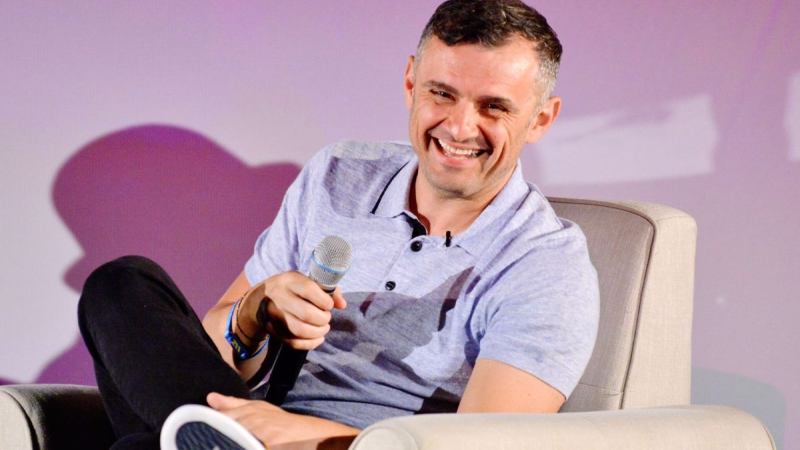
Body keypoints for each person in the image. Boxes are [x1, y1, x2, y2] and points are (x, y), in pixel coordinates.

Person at [77, 1, 599, 449]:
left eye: (493, 107)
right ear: (410, 83)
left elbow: (478, 447)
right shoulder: (339, 174)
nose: (460, 127)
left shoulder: (546, 264)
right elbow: (207, 362)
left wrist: (309, 435)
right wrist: (256, 311)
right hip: (254, 421)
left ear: (541, 119)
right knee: (120, 283)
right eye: (441, 94)